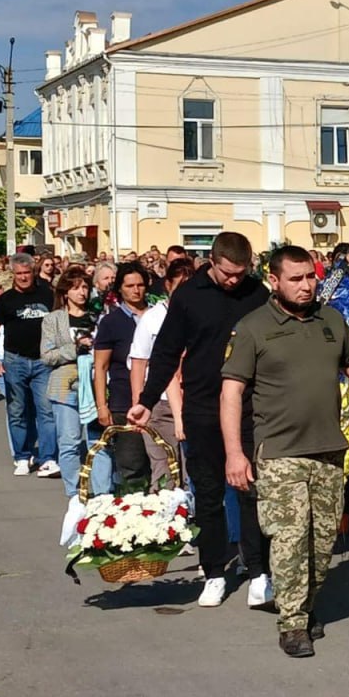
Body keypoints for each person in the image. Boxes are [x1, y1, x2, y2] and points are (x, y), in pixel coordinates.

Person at [222, 246, 349, 658]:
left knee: (320, 543)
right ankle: (293, 622)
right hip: (279, 452)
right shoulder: (253, 327)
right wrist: (235, 454)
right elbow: (231, 393)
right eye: (296, 279)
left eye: (310, 277)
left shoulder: (330, 320)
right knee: (289, 539)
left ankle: (307, 603)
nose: (305, 285)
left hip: (328, 450)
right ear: (274, 281)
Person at [128, 231, 270, 609]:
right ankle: (213, 573)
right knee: (207, 494)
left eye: (241, 273)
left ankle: (258, 571)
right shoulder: (189, 296)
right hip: (203, 408)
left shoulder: (258, 295)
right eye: (227, 273)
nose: (234, 281)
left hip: (250, 408)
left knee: (251, 491)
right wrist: (144, 399)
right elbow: (166, 352)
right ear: (211, 261)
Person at [0, 253, 58, 477]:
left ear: (33, 272)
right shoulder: (5, 300)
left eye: (27, 273)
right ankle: (22, 456)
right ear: (13, 275)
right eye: (19, 274)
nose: (24, 277)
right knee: (17, 411)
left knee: (46, 410)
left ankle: (47, 458)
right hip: (15, 360)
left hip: (43, 361)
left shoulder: (48, 294)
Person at [130, 258, 194, 489]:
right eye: (179, 288)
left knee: (190, 471)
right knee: (164, 468)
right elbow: (139, 364)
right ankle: (162, 520)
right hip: (160, 404)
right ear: (167, 285)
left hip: (192, 401)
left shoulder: (197, 316)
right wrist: (140, 403)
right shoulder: (152, 318)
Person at [92, 262, 151, 490]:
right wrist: (102, 406)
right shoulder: (112, 322)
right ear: (120, 289)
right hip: (123, 401)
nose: (136, 290)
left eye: (140, 285)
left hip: (159, 399)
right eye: (130, 286)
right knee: (132, 465)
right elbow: (101, 366)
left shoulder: (158, 317)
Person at [40, 268, 95, 500]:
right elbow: (47, 355)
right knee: (70, 441)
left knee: (97, 442)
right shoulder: (53, 319)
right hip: (64, 387)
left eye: (84, 287)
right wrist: (75, 348)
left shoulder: (96, 315)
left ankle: (102, 490)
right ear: (65, 292)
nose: (81, 292)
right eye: (75, 288)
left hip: (94, 385)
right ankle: (75, 492)